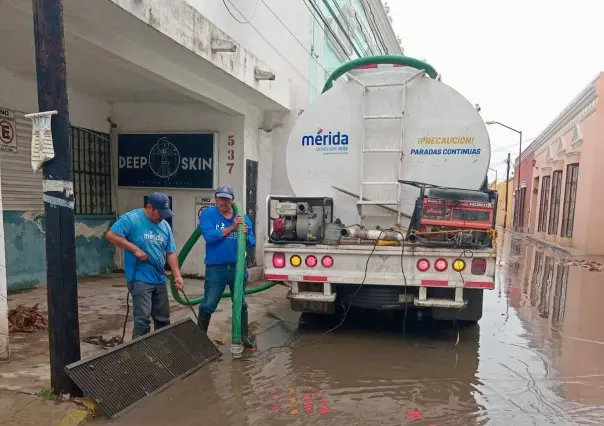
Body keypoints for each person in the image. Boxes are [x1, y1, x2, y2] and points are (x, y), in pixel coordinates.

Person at [106, 192, 184, 339]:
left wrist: (177, 275)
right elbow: (111, 235)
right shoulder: (132, 219)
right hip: (140, 278)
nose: (162, 217)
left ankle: (162, 349)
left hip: (159, 278)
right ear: (150, 207)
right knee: (142, 320)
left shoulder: (165, 226)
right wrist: (134, 249)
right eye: (159, 213)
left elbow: (171, 252)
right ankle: (140, 356)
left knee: (163, 319)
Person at [198, 185, 256, 351]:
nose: (223, 202)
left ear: (232, 200)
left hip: (238, 268)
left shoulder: (242, 216)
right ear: (216, 199)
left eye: (227, 199)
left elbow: (251, 241)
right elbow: (210, 238)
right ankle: (199, 340)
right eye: (220, 198)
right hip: (216, 268)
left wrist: (245, 233)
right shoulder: (208, 215)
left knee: (241, 303)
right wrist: (232, 227)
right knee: (208, 304)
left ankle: (244, 338)